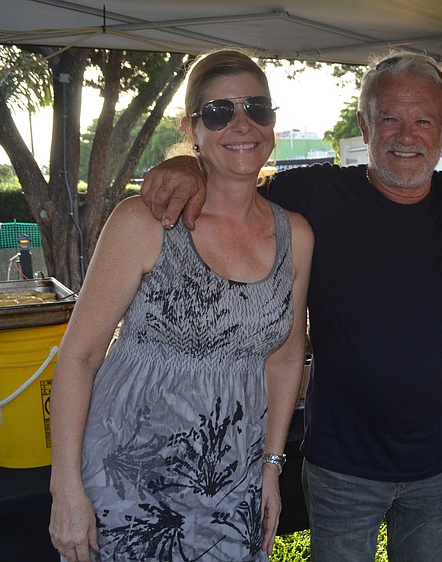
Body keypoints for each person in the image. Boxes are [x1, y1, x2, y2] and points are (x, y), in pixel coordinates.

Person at [139, 53, 442, 561]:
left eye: (423, 121)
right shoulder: (315, 194)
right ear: (365, 125)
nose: (406, 135)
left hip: (439, 465)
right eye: (390, 118)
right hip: (342, 465)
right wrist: (187, 164)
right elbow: (232, 175)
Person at [48, 49, 314, 562]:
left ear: (273, 123)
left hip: (230, 481)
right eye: (219, 112)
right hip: (125, 481)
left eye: (257, 107)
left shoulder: (295, 235)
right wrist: (66, 489)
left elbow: (284, 358)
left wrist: (271, 467)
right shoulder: (146, 222)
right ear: (192, 127)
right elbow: (78, 357)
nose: (242, 123)